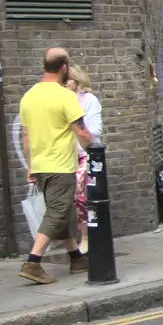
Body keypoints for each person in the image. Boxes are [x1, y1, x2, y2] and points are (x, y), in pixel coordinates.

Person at [18, 48, 93, 285]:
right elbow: (81, 131)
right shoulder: (64, 96)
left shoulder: (28, 96)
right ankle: (33, 261)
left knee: (63, 211)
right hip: (60, 165)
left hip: (40, 165)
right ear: (64, 68)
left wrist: (31, 166)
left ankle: (76, 258)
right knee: (58, 212)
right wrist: (94, 150)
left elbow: (26, 137)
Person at [64, 64, 103, 253]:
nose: (64, 84)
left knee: (81, 196)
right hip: (64, 155)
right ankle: (71, 241)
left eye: (67, 80)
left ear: (77, 81)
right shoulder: (60, 101)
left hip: (85, 154)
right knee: (65, 200)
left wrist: (75, 128)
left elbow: (96, 130)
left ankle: (86, 237)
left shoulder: (89, 100)